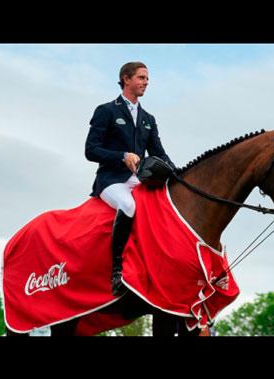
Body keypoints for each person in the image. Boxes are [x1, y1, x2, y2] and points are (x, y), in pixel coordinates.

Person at [85, 62, 176, 296]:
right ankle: (117, 270)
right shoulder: (106, 111)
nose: (146, 82)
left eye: (147, 78)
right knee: (128, 205)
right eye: (141, 77)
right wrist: (122, 156)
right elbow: (90, 150)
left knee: (166, 203)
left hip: (138, 180)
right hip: (110, 179)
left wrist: (178, 173)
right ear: (126, 79)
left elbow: (159, 153)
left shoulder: (148, 118)